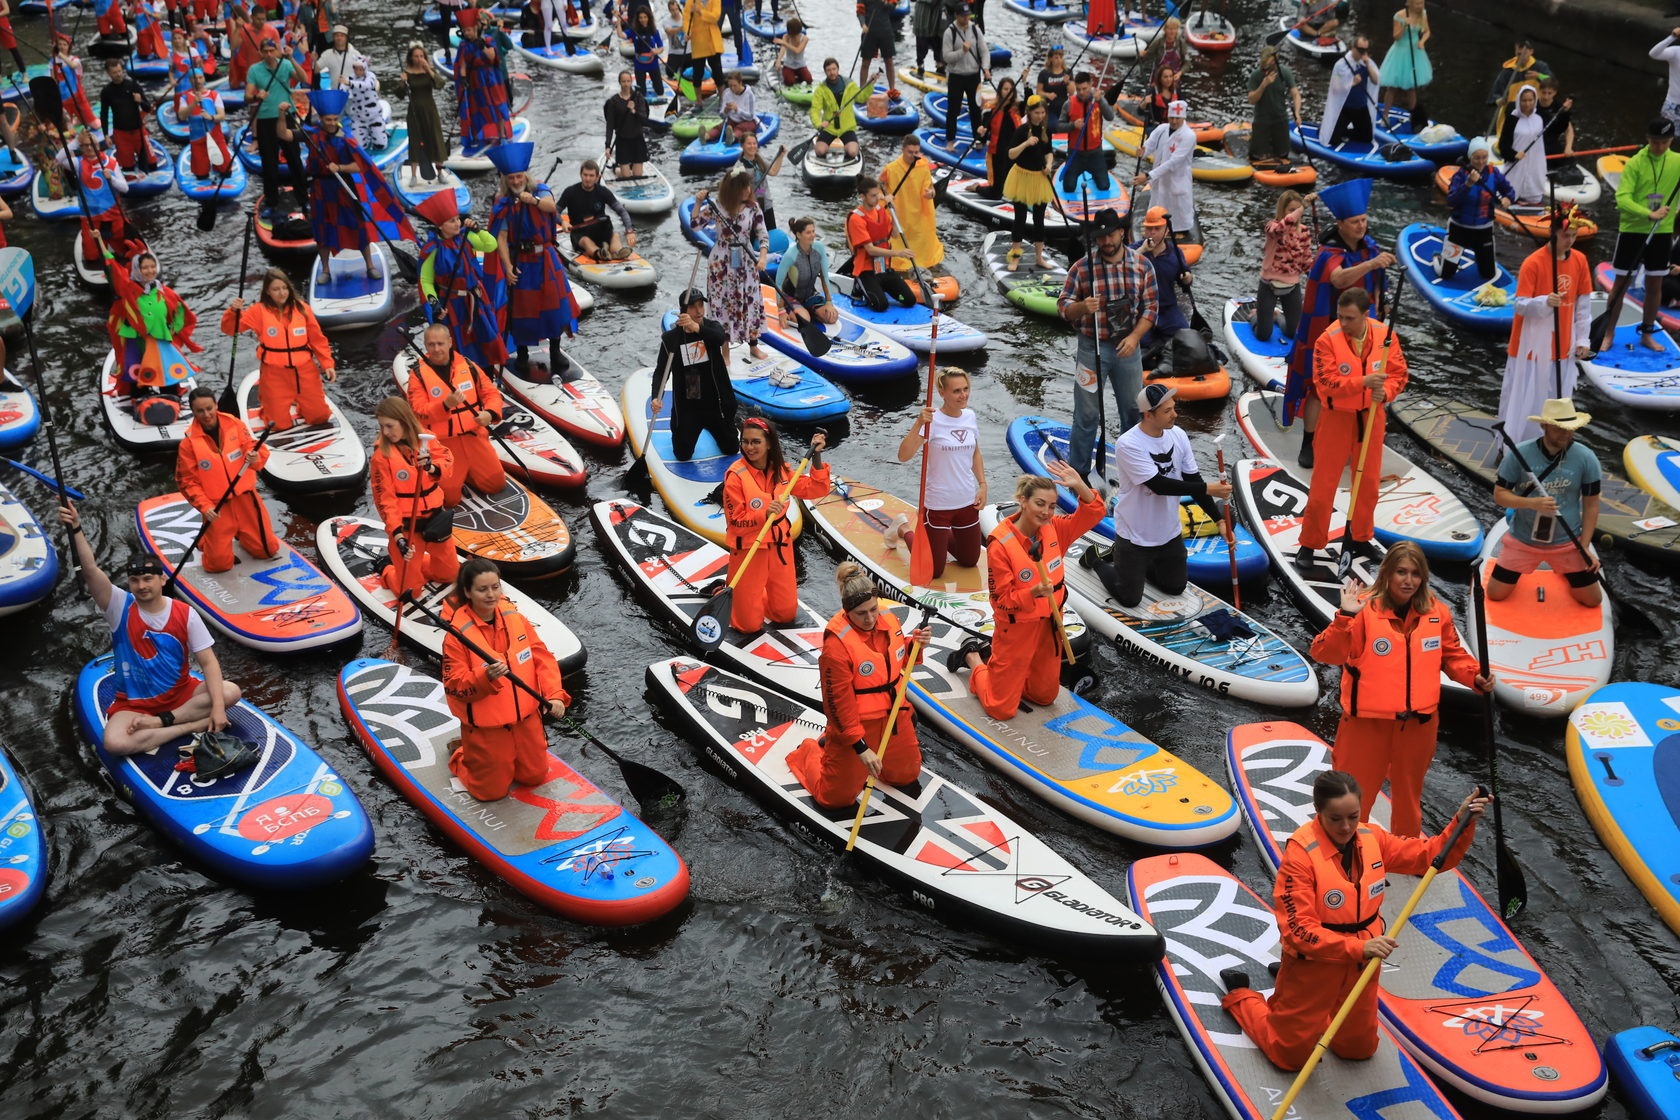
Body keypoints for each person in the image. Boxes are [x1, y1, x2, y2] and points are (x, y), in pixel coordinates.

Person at [1220, 772, 1490, 1070]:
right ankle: (1243, 998)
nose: (1346, 827)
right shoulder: (1300, 856)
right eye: (1335, 819)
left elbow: (1429, 856)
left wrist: (1462, 822)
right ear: (1318, 811)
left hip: (1363, 962)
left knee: (1359, 1049)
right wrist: (1358, 948)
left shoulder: (1372, 837)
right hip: (1314, 964)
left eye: (1353, 816)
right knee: (1289, 1058)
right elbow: (1298, 930)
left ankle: (1303, 1010)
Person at [1310, 548, 1491, 835]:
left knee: (1408, 798)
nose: (1408, 581)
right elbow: (1325, 653)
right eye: (1401, 572)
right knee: (1353, 796)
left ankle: (1407, 849)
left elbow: (1451, 656)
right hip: (1366, 726)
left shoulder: (1437, 613)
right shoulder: (1362, 610)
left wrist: (1475, 677)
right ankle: (1347, 850)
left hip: (1418, 727)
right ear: (1387, 573)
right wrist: (1344, 617)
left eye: (1415, 574)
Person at [58, 504, 241, 757]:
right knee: (115, 744)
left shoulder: (185, 613)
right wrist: (76, 527)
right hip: (134, 703)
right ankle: (188, 726)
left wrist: (218, 710)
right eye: (135, 580)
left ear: (162, 580)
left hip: (180, 695)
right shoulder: (118, 606)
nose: (141, 586)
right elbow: (90, 570)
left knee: (231, 692)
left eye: (148, 579)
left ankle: (161, 723)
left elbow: (209, 663)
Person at [947, 465, 1103, 718]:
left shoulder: (1055, 528)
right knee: (1000, 709)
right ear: (1023, 501)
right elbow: (1002, 601)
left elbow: (1095, 512)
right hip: (1016, 627)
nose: (1046, 512)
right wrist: (1033, 592)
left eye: (1052, 506)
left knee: (1045, 696)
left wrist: (1079, 486)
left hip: (1050, 622)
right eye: (1040, 504)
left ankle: (1011, 675)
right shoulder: (1000, 544)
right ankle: (973, 658)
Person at [787, 562, 932, 808]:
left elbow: (897, 660)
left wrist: (915, 644)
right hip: (857, 726)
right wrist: (860, 747)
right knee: (833, 799)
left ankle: (849, 754)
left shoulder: (888, 619)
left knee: (906, 776)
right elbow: (837, 704)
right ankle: (810, 750)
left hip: (895, 716)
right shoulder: (836, 646)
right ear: (847, 612)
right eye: (861, 613)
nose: (870, 618)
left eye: (873, 609)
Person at [1083, 384, 1230, 607]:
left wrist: (1219, 520)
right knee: (1129, 599)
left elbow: (1193, 479)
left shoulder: (1178, 435)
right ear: (1148, 415)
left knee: (1175, 587)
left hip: (1168, 531)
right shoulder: (1128, 444)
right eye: (1167, 411)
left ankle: (1128, 563)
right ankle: (1095, 558)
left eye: (1174, 408)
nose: (1175, 415)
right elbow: (1158, 485)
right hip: (1134, 533)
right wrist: (1208, 488)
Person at [1282, 178, 1394, 466]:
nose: (1361, 226)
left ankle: (1355, 440)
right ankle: (1308, 444)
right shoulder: (1329, 252)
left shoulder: (1370, 247)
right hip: (1331, 327)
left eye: (1364, 220)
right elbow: (1338, 278)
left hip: (1365, 327)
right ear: (1341, 224)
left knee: (1362, 384)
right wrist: (1372, 264)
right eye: (1355, 221)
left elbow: (1377, 283)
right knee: (1319, 387)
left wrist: (1382, 307)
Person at [1294, 288, 1408, 569]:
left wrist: (1387, 391)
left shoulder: (1386, 336)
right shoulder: (1327, 340)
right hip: (1336, 419)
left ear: (1366, 315)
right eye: (1340, 316)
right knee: (1323, 486)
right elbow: (1325, 384)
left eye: (1349, 318)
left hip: (1371, 416)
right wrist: (1363, 383)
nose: (1343, 323)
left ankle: (1361, 537)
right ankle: (1310, 543)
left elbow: (1399, 374)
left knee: (1368, 484)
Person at [441, 559, 570, 802]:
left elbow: (542, 658)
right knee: (489, 793)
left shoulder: (516, 619)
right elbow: (454, 686)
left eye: (495, 587)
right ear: (467, 592)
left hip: (527, 721)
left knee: (535, 777)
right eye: (482, 589)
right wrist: (485, 677)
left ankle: (496, 757)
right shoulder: (456, 637)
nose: (491, 595)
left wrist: (554, 695)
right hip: (488, 730)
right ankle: (461, 755)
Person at [1059, 208, 1160, 472]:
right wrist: (1082, 307)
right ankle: (1078, 472)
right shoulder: (1082, 268)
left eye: (1111, 235)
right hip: (1091, 347)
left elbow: (1151, 308)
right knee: (1087, 414)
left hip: (1128, 347)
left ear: (1122, 233)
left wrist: (1135, 337)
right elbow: (1063, 307)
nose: (1106, 241)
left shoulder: (1143, 266)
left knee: (1133, 411)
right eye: (1101, 237)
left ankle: (1135, 469)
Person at [279, 88, 415, 282]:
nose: (331, 123)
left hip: (343, 187)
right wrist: (281, 114)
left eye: (335, 119)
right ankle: (326, 270)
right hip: (320, 188)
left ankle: (370, 266)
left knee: (357, 226)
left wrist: (340, 167)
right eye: (328, 119)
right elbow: (283, 134)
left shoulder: (346, 138)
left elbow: (359, 166)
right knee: (322, 229)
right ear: (321, 119)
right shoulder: (311, 134)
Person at [1490, 398, 1603, 608]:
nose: (1566, 435)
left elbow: (1591, 505)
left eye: (1570, 429)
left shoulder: (1587, 458)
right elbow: (1499, 495)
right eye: (1559, 429)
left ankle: (1565, 571)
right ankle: (1549, 569)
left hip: (1567, 541)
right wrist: (1532, 504)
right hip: (1523, 539)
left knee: (1592, 600)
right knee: (1496, 594)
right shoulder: (1519, 454)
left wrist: (1584, 546)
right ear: (1544, 426)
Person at [723, 418, 831, 634]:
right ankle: (731, 591)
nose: (749, 447)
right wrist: (763, 514)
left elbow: (816, 489)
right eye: (745, 442)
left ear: (769, 443)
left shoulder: (782, 471)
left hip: (779, 546)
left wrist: (817, 456)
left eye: (756, 442)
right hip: (750, 549)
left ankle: (749, 593)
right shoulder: (735, 477)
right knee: (748, 626)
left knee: (785, 614)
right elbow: (735, 521)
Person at [1498, 206, 1593, 441]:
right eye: (1565, 236)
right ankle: (1514, 444)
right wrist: (1544, 302)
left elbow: (1583, 305)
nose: (1570, 241)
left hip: (1563, 346)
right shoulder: (1533, 262)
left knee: (1557, 400)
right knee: (1525, 400)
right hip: (1531, 348)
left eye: (1574, 236)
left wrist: (1583, 339)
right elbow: (1520, 305)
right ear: (1553, 233)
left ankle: (1551, 444)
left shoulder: (1580, 260)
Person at [490, 142, 583, 378]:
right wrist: (508, 266)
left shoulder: (540, 189)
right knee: (521, 309)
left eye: (519, 176)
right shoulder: (503, 202)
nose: (516, 181)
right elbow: (501, 238)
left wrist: (532, 201)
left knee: (553, 306)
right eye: (511, 178)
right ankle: (522, 353)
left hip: (545, 258)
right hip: (520, 261)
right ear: (505, 179)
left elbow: (551, 207)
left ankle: (555, 351)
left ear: (525, 175)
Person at [887, 367, 987, 580]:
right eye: (957, 391)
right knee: (935, 571)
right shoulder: (931, 420)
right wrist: (918, 423)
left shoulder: (970, 416)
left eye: (966, 389)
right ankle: (903, 529)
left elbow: (975, 453)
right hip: (938, 505)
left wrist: (982, 485)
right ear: (942, 393)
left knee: (969, 560)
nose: (963, 395)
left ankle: (938, 539)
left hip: (967, 502)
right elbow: (903, 456)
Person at [175, 386, 278, 575]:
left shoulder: (234, 424)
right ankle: (205, 541)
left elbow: (252, 445)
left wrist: (254, 456)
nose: (206, 415)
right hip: (217, 507)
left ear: (216, 405)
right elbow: (187, 482)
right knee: (218, 565)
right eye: (200, 411)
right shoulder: (188, 444)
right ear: (193, 412)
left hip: (246, 499)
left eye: (209, 408)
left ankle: (242, 533)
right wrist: (205, 507)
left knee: (268, 550)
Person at [221, 269, 337, 433]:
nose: (282, 293)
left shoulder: (302, 309)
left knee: (319, 417)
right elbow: (230, 329)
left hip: (305, 372)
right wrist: (233, 312)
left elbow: (317, 340)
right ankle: (269, 408)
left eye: (284, 288)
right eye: (276, 289)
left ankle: (301, 403)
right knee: (278, 425)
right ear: (268, 291)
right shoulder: (258, 311)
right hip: (274, 374)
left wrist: (327, 364)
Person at [407, 322, 507, 505]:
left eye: (440, 343)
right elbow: (418, 412)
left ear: (450, 342)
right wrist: (445, 405)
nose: (436, 349)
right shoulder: (418, 375)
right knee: (449, 499)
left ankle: (469, 473)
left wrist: (490, 413)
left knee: (496, 485)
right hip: (442, 444)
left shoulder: (468, 366)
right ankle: (461, 474)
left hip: (474, 437)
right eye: (431, 344)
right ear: (425, 346)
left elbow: (491, 394)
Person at [369, 396, 459, 598]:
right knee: (410, 592)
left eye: (389, 426)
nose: (385, 432)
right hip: (407, 529)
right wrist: (397, 536)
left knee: (449, 574)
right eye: (382, 427)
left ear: (404, 421)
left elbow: (447, 461)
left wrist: (431, 467)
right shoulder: (381, 457)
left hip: (435, 521)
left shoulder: (427, 439)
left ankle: (415, 567)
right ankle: (387, 569)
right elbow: (385, 500)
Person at [1603, 118, 1680, 353]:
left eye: (1665, 142)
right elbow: (1622, 198)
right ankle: (1608, 333)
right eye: (1655, 142)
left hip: (1662, 233)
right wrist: (1649, 213)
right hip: (1633, 231)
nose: (1660, 147)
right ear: (1648, 139)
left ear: (1671, 140)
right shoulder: (1635, 163)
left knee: (1655, 285)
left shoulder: (1677, 161)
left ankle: (1647, 334)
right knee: (1620, 285)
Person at [417, 194, 509, 374]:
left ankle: (487, 378)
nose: (457, 223)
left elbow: (490, 245)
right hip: (453, 305)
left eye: (458, 219)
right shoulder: (432, 250)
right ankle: (464, 377)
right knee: (460, 346)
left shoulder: (467, 236)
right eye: (452, 221)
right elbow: (426, 281)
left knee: (485, 339)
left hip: (476, 299)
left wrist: (478, 230)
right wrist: (435, 304)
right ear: (440, 226)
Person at [105, 249, 201, 411]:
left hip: (159, 341)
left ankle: (171, 401)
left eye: (152, 267)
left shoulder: (164, 292)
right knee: (138, 372)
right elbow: (113, 270)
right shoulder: (128, 290)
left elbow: (180, 311)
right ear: (137, 270)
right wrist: (101, 245)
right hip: (136, 340)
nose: (150, 271)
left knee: (166, 373)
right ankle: (140, 403)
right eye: (145, 267)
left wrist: (172, 329)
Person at [651, 287, 736, 460]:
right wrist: (656, 397)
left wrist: (696, 328)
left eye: (700, 305)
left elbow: (719, 339)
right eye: (692, 307)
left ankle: (720, 428)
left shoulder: (712, 328)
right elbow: (661, 372)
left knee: (732, 448)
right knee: (682, 455)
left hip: (715, 404)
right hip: (688, 406)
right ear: (683, 311)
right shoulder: (671, 339)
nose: (698, 311)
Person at [694, 169, 769, 359]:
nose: (748, 190)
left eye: (748, 186)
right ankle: (724, 351)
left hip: (746, 260)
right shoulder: (717, 206)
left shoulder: (753, 207)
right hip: (721, 262)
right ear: (734, 189)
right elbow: (695, 225)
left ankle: (753, 345)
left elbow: (763, 234)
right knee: (723, 304)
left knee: (750, 300)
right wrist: (698, 203)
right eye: (744, 187)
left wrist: (762, 257)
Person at [63, 129, 139, 272]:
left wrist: (112, 179)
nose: (89, 148)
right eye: (85, 145)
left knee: (125, 252)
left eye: (91, 144)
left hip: (113, 215)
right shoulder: (77, 163)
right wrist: (75, 142)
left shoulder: (111, 162)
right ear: (81, 148)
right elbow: (60, 159)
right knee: (92, 257)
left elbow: (125, 188)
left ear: (98, 146)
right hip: (91, 218)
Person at [1440, 138, 1515, 283]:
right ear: (1470, 158)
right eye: (1477, 158)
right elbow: (1452, 200)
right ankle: (1441, 258)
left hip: (1483, 230)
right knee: (1446, 274)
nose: (1481, 162)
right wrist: (1467, 184)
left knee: (1488, 275)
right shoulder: (1461, 175)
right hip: (1459, 228)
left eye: (1484, 157)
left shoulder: (1494, 173)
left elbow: (1509, 191)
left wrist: (1508, 199)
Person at [246, 36, 306, 213]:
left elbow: (304, 78)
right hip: (266, 119)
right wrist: (257, 96)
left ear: (277, 50)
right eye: (265, 51)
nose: (269, 54)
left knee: (294, 158)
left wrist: (292, 58)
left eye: (272, 51)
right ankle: (271, 201)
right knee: (269, 161)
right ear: (260, 52)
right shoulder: (254, 70)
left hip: (287, 116)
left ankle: (303, 198)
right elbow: (247, 96)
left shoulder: (285, 64)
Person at [846, 175, 916, 313]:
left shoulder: (881, 211)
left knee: (909, 300)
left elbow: (894, 234)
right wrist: (898, 253)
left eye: (878, 194)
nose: (877, 198)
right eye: (873, 196)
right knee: (880, 306)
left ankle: (880, 287)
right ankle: (859, 285)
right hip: (865, 269)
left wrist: (894, 212)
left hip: (883, 267)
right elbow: (870, 250)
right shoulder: (856, 218)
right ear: (862, 197)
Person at [1255, 190, 1317, 343]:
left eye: (1297, 209)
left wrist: (1315, 277)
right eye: (1291, 210)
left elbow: (1306, 260)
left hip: (1292, 286)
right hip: (1269, 285)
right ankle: (1255, 318)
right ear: (1282, 210)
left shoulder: (1304, 231)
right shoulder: (1272, 228)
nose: (1296, 213)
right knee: (1263, 335)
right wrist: (1302, 207)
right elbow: (1284, 226)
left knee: (1292, 332)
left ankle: (1277, 316)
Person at [881, 134, 942, 273]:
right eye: (910, 152)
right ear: (902, 150)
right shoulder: (890, 169)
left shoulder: (923, 166)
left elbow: (931, 189)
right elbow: (877, 187)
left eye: (916, 152)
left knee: (925, 252)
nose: (914, 156)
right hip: (899, 216)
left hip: (919, 216)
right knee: (898, 255)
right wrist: (885, 197)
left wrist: (931, 194)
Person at [1133, 206, 1191, 352]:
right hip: (1141, 309)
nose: (1152, 233)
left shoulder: (1175, 253)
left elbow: (1185, 280)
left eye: (1157, 229)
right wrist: (1142, 251)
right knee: (1140, 343)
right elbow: (1120, 265)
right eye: (1149, 228)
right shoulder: (1136, 249)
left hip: (1167, 308)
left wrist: (1187, 279)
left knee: (1185, 339)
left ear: (1166, 231)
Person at [454, 9, 513, 151]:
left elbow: (493, 57)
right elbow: (462, 64)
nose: (466, 33)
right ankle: (475, 136)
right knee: (475, 107)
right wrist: (463, 79)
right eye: (464, 30)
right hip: (474, 80)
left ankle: (502, 135)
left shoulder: (487, 40)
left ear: (475, 28)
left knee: (497, 106)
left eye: (468, 30)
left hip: (490, 78)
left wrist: (483, 46)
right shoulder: (463, 45)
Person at [1135, 100, 1196, 235]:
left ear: (1183, 117)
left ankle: (1180, 230)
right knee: (1157, 202)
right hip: (1159, 179)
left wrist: (1148, 176)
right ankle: (1155, 227)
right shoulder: (1161, 129)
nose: (1174, 121)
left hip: (1176, 179)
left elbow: (1173, 162)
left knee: (1177, 209)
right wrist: (1143, 151)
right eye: (1171, 117)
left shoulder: (1188, 136)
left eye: (1177, 118)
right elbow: (1150, 144)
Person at [558, 159, 638, 262]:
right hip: (580, 233)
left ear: (597, 177)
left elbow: (621, 211)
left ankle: (617, 252)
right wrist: (562, 221)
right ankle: (601, 253)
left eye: (591, 176)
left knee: (615, 236)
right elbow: (554, 211)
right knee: (586, 241)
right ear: (580, 175)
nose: (588, 179)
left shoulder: (603, 191)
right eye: (585, 175)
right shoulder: (570, 192)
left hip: (601, 231)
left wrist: (629, 230)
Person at [774, 216, 839, 330]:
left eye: (813, 231)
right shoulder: (790, 255)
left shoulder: (819, 248)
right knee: (804, 320)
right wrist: (781, 310)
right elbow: (778, 284)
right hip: (791, 297)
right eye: (808, 232)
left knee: (832, 317)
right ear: (799, 235)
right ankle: (796, 312)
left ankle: (810, 310)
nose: (812, 235)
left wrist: (829, 301)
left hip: (810, 295)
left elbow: (824, 277)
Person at [399, 44, 450, 184]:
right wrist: (403, 82)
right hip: (414, 111)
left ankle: (440, 172)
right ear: (411, 58)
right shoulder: (407, 72)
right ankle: (414, 175)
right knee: (415, 140)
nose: (419, 59)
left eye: (421, 56)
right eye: (416, 56)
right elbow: (400, 94)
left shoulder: (429, 71)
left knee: (435, 138)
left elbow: (440, 84)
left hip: (430, 110)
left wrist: (429, 70)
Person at [1060, 70, 1114, 194]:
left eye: (1084, 89)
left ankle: (1096, 175)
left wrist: (1101, 101)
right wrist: (1073, 125)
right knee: (1068, 187)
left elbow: (1110, 117)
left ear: (1090, 85)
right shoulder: (1069, 103)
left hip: (1095, 153)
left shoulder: (1098, 100)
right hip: (1075, 153)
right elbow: (1059, 126)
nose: (1081, 92)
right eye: (1078, 89)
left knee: (1104, 186)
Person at [99, 58, 156, 174]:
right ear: (108, 73)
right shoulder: (106, 91)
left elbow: (148, 108)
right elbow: (104, 114)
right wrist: (106, 135)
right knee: (127, 168)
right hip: (121, 134)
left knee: (152, 164)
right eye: (114, 72)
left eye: (120, 71)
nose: (118, 74)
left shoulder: (133, 86)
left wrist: (140, 101)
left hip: (138, 131)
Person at [941, 6, 988, 146]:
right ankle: (950, 140)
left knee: (976, 108)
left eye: (968, 15)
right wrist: (962, 51)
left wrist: (986, 68)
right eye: (963, 16)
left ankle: (978, 139)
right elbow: (946, 57)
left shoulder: (975, 30)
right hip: (956, 76)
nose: (966, 18)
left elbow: (984, 51)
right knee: (953, 109)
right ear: (956, 15)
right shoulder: (949, 32)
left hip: (974, 75)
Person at [1246, 45, 1300, 166]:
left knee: (1283, 153)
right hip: (1262, 119)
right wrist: (1263, 85)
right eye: (1263, 68)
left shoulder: (1284, 73)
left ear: (1275, 63)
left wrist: (1297, 113)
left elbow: (1295, 94)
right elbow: (1251, 100)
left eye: (1267, 68)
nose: (1265, 71)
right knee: (1256, 155)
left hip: (1280, 118)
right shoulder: (1256, 75)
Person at [1378, 0, 1431, 123]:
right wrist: (1404, 26)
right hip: (1400, 52)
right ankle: (1385, 116)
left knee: (1411, 87)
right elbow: (1396, 37)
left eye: (1421, 3)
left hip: (1415, 51)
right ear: (1410, 3)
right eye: (1417, 3)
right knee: (1392, 88)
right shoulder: (1399, 15)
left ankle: (1413, 116)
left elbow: (1427, 31)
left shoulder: (1422, 14)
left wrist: (1422, 41)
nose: (1420, 6)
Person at [1323, 36, 1380, 146]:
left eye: (1366, 51)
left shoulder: (1367, 64)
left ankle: (1345, 132)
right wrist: (1351, 83)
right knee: (1333, 140)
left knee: (1366, 138)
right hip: (1344, 107)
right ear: (1353, 48)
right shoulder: (1340, 65)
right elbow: (1335, 88)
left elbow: (1375, 81)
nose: (1363, 54)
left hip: (1360, 107)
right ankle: (1334, 130)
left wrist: (1368, 64)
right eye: (1360, 50)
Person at [182, 69, 234, 182]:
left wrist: (211, 117)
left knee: (226, 171)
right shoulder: (185, 97)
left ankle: (218, 167)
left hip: (216, 137)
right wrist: (194, 103)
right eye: (195, 78)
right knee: (201, 175)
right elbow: (182, 116)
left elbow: (221, 116)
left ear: (204, 79)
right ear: (190, 80)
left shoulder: (214, 95)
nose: (198, 81)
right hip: (197, 140)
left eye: (200, 77)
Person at [1498, 85, 1546, 204]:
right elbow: (1503, 145)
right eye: (1524, 100)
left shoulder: (1539, 119)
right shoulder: (1512, 119)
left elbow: (1557, 127)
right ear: (1519, 101)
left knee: (1534, 195)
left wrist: (1565, 112)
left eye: (1530, 100)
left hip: (1535, 164)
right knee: (1510, 192)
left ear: (1535, 100)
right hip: (1516, 163)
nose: (1527, 104)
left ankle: (1530, 200)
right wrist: (1513, 154)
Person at [1486, 37, 1549, 125]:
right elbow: (1495, 93)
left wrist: (1539, 76)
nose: (1521, 57)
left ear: (1531, 52)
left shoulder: (1540, 67)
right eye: (1519, 54)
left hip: (1533, 112)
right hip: (1511, 113)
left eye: (1524, 54)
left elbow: (1552, 82)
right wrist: (1499, 100)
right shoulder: (1507, 72)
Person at [810, 57, 862, 161]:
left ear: (838, 69)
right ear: (825, 72)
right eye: (829, 70)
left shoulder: (850, 85)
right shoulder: (821, 89)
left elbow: (862, 98)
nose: (832, 72)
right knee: (819, 151)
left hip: (847, 128)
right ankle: (823, 161)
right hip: (829, 128)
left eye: (834, 69)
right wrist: (819, 124)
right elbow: (814, 110)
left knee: (852, 152)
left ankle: (849, 155)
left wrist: (870, 84)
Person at [979, 77, 1022, 200]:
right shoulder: (991, 108)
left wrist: (1025, 83)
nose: (1008, 92)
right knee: (996, 193)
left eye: (1011, 89)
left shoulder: (1018, 108)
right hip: (997, 152)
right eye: (1005, 89)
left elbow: (1032, 103)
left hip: (1014, 152)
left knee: (1011, 188)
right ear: (1000, 91)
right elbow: (985, 125)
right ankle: (977, 188)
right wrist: (982, 130)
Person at [734, 132, 785, 232]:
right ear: (742, 145)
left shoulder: (759, 160)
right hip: (750, 208)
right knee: (754, 235)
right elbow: (736, 191)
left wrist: (780, 156)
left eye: (754, 143)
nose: (752, 146)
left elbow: (773, 171)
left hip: (766, 204)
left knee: (771, 232)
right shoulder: (738, 166)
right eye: (749, 143)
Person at [50, 34, 100, 133]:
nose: (62, 47)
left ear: (69, 47)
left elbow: (73, 66)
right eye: (60, 44)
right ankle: (76, 119)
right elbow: (53, 79)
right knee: (64, 128)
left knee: (96, 125)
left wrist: (60, 55)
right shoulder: (52, 62)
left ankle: (82, 118)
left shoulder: (74, 59)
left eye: (64, 44)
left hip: (77, 97)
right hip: (63, 99)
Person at [606, 72, 652, 181]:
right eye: (623, 81)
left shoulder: (638, 97)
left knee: (637, 175)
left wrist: (633, 110)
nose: (626, 84)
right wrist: (607, 146)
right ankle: (616, 169)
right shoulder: (613, 101)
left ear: (631, 82)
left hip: (637, 139)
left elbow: (644, 119)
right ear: (619, 82)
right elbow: (610, 125)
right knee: (626, 176)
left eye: (628, 81)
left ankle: (631, 166)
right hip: (622, 140)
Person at [681, 0, 725, 105]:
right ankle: (699, 101)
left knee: (717, 70)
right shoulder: (691, 1)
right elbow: (686, 18)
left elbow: (715, 16)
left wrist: (700, 11)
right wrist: (687, 31)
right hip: (698, 41)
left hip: (712, 41)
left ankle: (722, 98)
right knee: (697, 73)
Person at [344, 58, 387, 153]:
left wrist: (350, 84)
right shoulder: (349, 79)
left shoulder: (370, 76)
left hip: (374, 116)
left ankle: (379, 134)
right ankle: (366, 137)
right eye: (356, 69)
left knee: (381, 145)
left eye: (361, 69)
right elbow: (343, 90)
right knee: (360, 147)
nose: (358, 72)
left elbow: (367, 85)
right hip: (358, 117)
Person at [857, 0, 899, 97]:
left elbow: (892, 8)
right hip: (869, 32)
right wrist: (863, 24)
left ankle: (892, 90)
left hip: (885, 31)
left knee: (889, 61)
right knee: (865, 62)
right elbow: (860, 11)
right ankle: (861, 91)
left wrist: (886, 3)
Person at [627, 7, 666, 101]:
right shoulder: (633, 31)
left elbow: (661, 48)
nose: (643, 19)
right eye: (641, 17)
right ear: (638, 19)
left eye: (645, 17)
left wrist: (656, 51)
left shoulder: (654, 31)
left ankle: (655, 86)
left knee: (660, 91)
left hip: (653, 64)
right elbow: (621, 35)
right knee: (641, 93)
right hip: (639, 65)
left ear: (649, 18)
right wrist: (619, 22)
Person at [710, 70, 758, 144]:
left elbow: (750, 117)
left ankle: (732, 137)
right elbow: (722, 115)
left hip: (747, 121)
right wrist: (725, 111)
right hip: (732, 120)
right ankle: (706, 136)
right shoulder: (727, 93)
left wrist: (737, 109)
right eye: (730, 86)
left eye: (735, 85)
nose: (732, 88)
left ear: (740, 83)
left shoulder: (749, 94)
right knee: (720, 127)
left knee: (740, 128)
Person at [1536, 79, 1575, 159]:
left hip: (1552, 143)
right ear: (1539, 91)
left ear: (1555, 93)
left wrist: (1568, 147)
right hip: (1535, 144)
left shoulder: (1560, 107)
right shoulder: (1532, 105)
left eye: (1549, 93)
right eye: (1543, 93)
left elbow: (1568, 129)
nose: (1546, 97)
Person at [1036, 44, 1071, 123]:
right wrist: (1047, 95)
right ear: (1050, 59)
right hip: (1049, 107)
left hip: (1063, 107)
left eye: (1061, 57)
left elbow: (1072, 92)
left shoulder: (1067, 72)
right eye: (1056, 58)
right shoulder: (1044, 74)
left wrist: (1067, 83)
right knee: (1054, 125)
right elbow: (1038, 92)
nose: (1059, 60)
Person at [1653, 29, 1680, 128]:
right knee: (1666, 134)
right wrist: (1672, 37)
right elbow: (1654, 54)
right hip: (1673, 104)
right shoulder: (1676, 51)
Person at [775, 17, 812, 87]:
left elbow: (797, 50)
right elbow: (783, 48)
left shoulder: (805, 38)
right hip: (789, 65)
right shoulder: (786, 37)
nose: (794, 37)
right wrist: (779, 60)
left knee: (809, 79)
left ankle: (798, 76)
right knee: (789, 82)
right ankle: (790, 74)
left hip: (801, 65)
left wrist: (784, 43)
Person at [910, 0, 941, 79]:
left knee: (936, 42)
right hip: (923, 17)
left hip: (934, 16)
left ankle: (940, 67)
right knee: (922, 42)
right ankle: (921, 68)